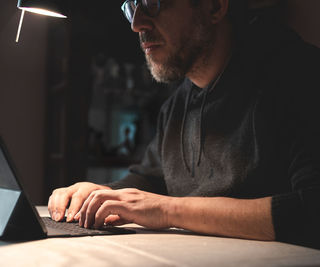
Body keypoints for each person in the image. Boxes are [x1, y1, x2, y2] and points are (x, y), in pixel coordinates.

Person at [48, 0, 320, 247]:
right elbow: (151, 178)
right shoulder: (177, 106)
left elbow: (311, 210)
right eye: (131, 7)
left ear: (214, 7)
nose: (136, 23)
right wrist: (103, 194)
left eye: (152, 3)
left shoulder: (298, 75)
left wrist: (167, 210)